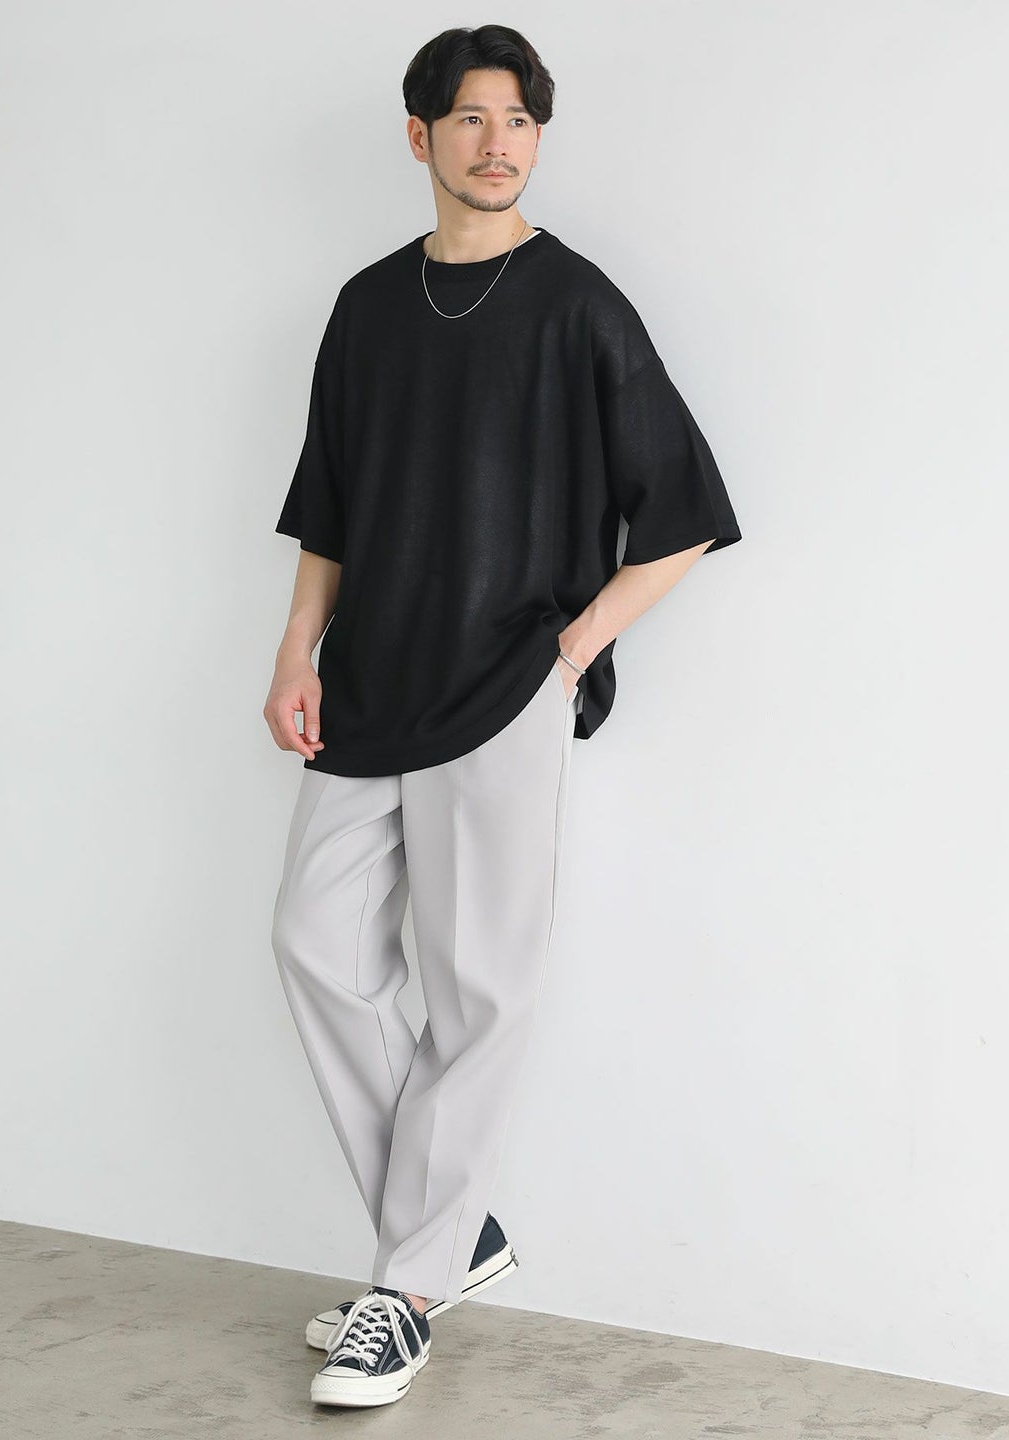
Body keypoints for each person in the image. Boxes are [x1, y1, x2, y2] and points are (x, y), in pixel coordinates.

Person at [263, 23, 742, 1410]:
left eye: (519, 120)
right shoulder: (367, 306)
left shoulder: (578, 305)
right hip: (371, 679)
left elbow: (685, 516)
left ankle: (408, 1288)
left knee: (477, 988)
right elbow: (329, 510)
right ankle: (448, 1233)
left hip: (502, 688)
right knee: (313, 941)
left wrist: (568, 652)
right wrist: (295, 654)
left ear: (538, 136)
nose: (497, 143)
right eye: (470, 119)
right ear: (421, 136)